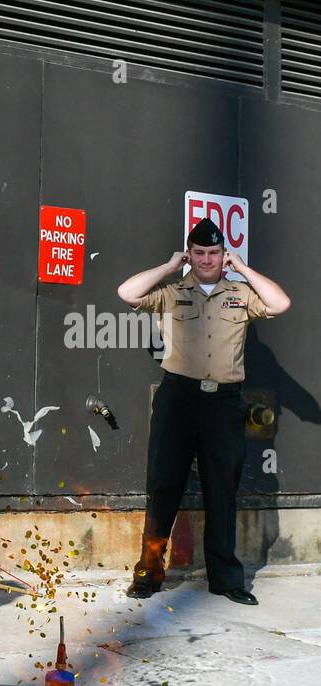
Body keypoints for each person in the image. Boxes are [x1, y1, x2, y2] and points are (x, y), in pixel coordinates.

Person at [117, 217, 291, 604]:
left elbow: (280, 303)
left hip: (224, 402)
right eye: (200, 252)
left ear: (222, 254)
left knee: (222, 489)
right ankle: (148, 574)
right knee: (164, 486)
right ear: (190, 254)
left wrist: (242, 268)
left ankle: (227, 580)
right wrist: (169, 266)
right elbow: (127, 292)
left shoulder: (240, 293)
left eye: (214, 252)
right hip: (178, 399)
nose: (207, 259)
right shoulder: (172, 291)